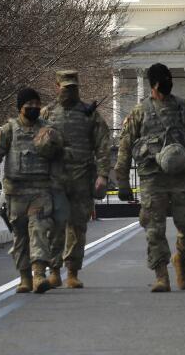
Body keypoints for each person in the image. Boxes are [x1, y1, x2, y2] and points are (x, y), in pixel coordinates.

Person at [115, 62, 185, 292]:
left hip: (183, 176)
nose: (166, 84)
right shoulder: (140, 112)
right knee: (154, 229)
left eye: (168, 78)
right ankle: (161, 274)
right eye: (162, 80)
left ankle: (181, 258)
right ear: (152, 85)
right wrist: (122, 180)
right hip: (153, 177)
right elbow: (124, 146)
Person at [0, 87, 65, 294]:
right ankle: (25, 277)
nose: (35, 108)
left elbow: (60, 156)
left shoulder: (48, 129)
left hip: (41, 190)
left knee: (39, 230)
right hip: (16, 192)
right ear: (20, 107)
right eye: (30, 105)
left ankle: (39, 275)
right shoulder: (8, 130)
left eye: (37, 104)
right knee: (20, 236)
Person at [41, 69, 111, 289]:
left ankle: (72, 270)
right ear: (57, 87)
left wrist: (102, 174)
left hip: (82, 177)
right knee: (54, 225)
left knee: (77, 226)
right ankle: (54, 271)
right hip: (55, 178)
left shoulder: (90, 114)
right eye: (65, 88)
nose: (69, 92)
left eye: (73, 88)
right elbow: (34, 144)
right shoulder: (47, 114)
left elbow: (102, 145)